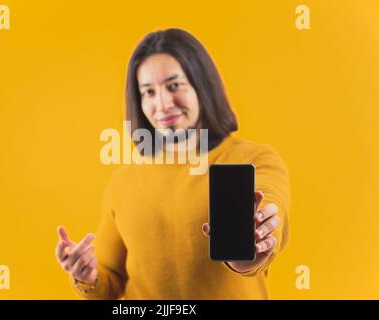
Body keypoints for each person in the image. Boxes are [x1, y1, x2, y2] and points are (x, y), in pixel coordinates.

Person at [55, 28, 291, 299]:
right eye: (148, 92)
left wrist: (252, 251)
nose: (163, 104)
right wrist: (86, 276)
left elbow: (271, 210)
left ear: (202, 86)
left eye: (174, 85)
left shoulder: (253, 160)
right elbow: (110, 279)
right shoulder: (124, 180)